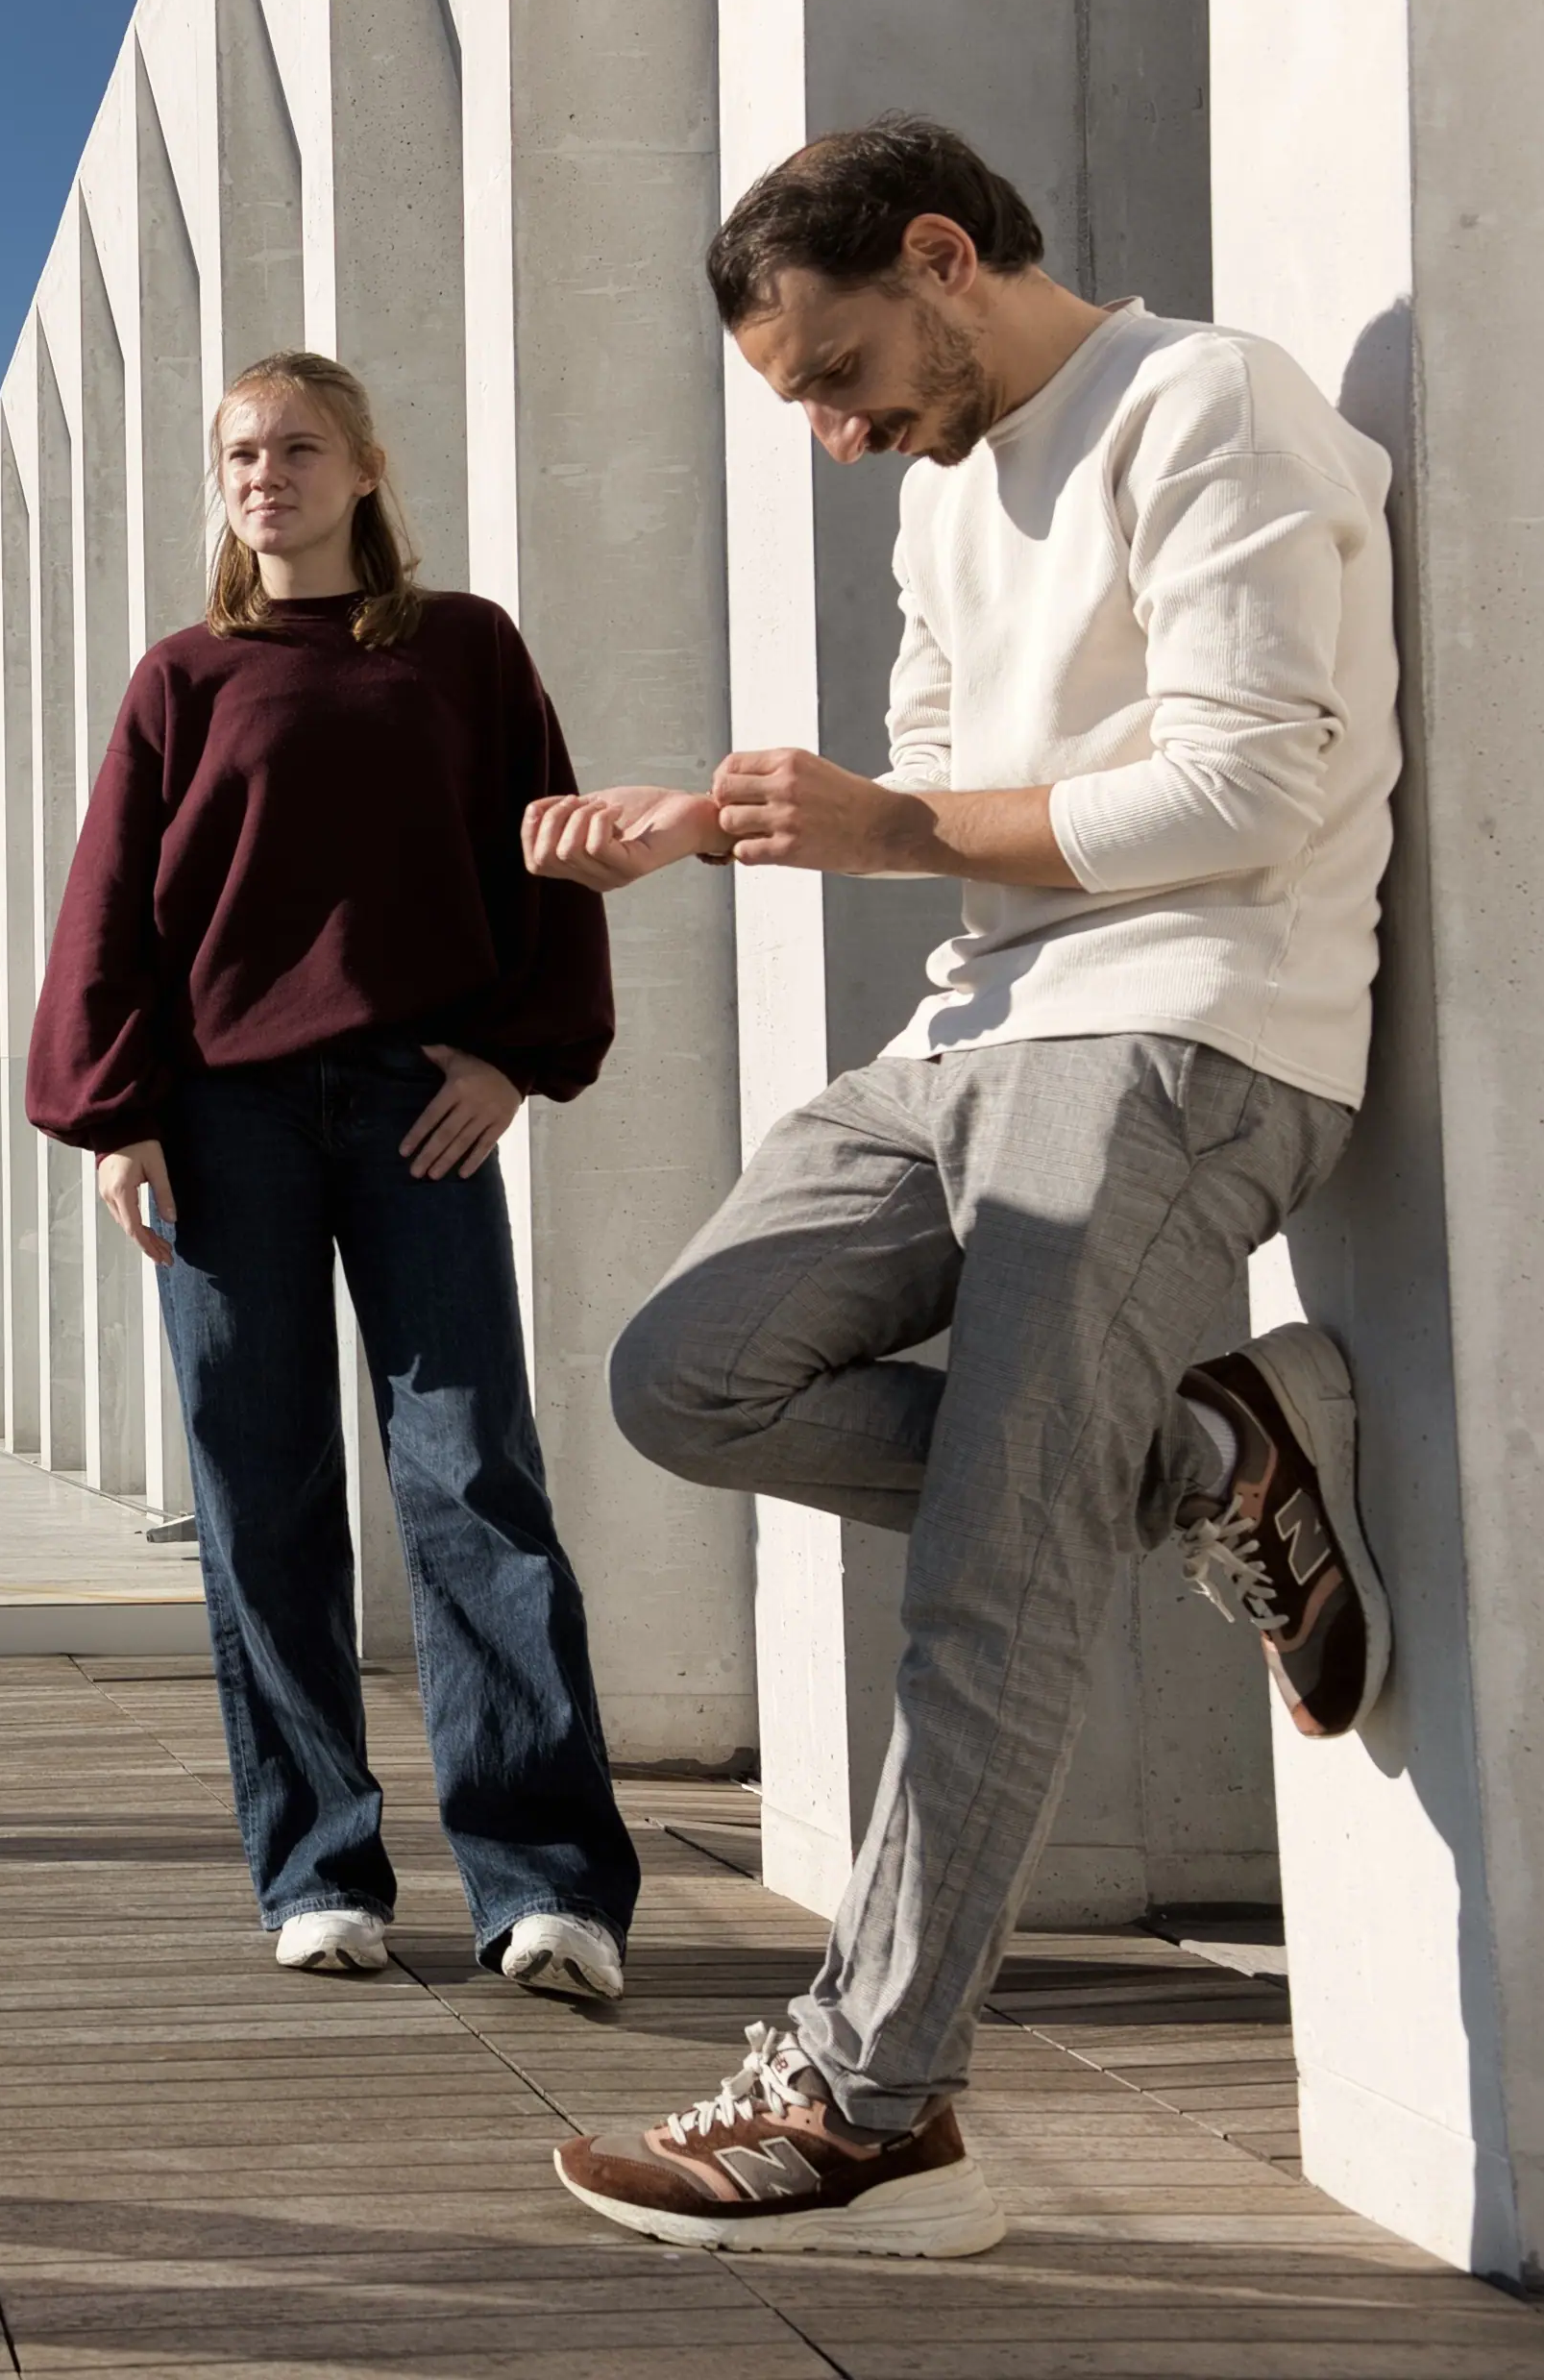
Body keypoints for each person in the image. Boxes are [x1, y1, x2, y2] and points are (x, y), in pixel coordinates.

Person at [533, 115, 1398, 2260]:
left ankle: (868, 2104)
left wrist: (898, 833)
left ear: (940, 255)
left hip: (1185, 1029)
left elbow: (1247, 777)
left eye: (833, 376)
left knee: (980, 1584)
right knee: (682, 1377)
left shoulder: (1206, 403)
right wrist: (730, 820)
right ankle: (1207, 1452)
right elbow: (930, 788)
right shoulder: (942, 506)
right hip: (965, 1039)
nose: (832, 437)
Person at [27, 350, 641, 2001]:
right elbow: (114, 913)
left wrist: (516, 1057)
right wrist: (115, 1115)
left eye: (297, 445)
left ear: (367, 469)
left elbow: (552, 855)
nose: (264, 471)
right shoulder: (184, 679)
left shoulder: (465, 651)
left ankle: (547, 1888)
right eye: (238, 450)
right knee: (262, 1497)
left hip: (412, 1109)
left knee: (473, 1482)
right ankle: (319, 1870)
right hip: (223, 1125)